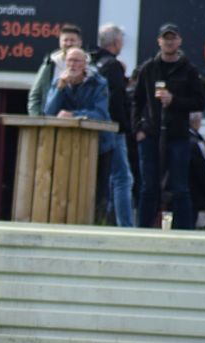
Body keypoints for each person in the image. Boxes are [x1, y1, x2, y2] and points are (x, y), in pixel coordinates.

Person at [132, 23, 205, 229]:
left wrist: (174, 100)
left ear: (179, 41)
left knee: (180, 187)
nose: (169, 42)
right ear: (159, 41)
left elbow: (200, 102)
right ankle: (142, 231)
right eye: (166, 38)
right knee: (148, 187)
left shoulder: (189, 70)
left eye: (173, 38)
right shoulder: (148, 68)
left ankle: (183, 232)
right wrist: (138, 129)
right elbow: (137, 101)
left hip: (178, 135)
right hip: (150, 133)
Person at [44, 48, 115, 223]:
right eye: (69, 61)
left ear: (85, 64)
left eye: (77, 61)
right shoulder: (59, 82)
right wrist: (59, 89)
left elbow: (100, 114)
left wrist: (73, 115)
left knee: (98, 189)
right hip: (68, 146)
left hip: (99, 145)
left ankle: (97, 222)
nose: (72, 65)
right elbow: (49, 112)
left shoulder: (98, 83)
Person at [91, 23, 134, 226]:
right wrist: (123, 125)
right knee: (122, 178)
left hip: (98, 127)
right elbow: (115, 99)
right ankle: (125, 225)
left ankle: (105, 220)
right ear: (116, 42)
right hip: (113, 129)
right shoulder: (112, 65)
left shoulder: (94, 62)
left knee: (107, 178)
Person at [28, 24, 82, 117]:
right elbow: (35, 95)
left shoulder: (90, 66)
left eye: (72, 40)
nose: (69, 43)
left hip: (79, 119)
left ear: (80, 43)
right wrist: (36, 118)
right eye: (65, 40)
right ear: (60, 42)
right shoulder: (49, 65)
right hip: (50, 120)